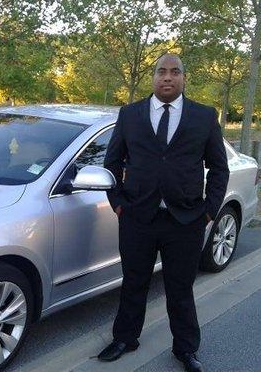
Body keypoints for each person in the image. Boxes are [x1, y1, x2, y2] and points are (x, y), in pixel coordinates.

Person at [98, 54, 229, 372]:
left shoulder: (204, 116)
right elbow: (112, 162)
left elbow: (219, 168)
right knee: (133, 282)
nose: (167, 77)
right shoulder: (130, 114)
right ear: (153, 77)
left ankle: (186, 349)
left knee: (180, 289)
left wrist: (209, 210)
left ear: (184, 78)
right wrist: (118, 203)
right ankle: (125, 338)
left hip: (185, 220)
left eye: (174, 72)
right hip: (137, 218)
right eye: (161, 71)